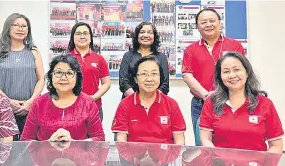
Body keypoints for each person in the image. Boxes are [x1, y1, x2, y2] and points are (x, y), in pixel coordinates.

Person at [181, 8, 245, 146]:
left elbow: (242, 72)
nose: (208, 24)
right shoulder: (191, 49)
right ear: (197, 26)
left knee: (230, 143)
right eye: (203, 22)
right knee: (203, 144)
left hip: (230, 102)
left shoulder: (234, 45)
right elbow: (187, 75)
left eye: (212, 20)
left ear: (220, 23)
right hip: (200, 104)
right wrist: (206, 95)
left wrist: (221, 93)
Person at [199, 52, 284, 153]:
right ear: (220, 77)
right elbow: (205, 139)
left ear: (247, 72)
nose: (232, 75)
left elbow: (276, 146)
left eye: (237, 70)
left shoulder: (265, 104)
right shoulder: (211, 102)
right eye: (226, 72)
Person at [0, 13, 45, 141]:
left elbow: (41, 79)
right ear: (8, 27)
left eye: (24, 26)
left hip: (30, 109)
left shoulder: (34, 52)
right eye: (16, 25)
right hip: (3, 110)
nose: (20, 29)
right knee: (7, 152)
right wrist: (8, 101)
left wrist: (31, 101)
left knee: (29, 150)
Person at [20, 54, 105, 142]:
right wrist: (48, 143)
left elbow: (99, 138)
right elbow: (26, 140)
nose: (63, 78)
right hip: (46, 155)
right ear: (51, 76)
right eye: (58, 72)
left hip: (78, 155)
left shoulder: (88, 103)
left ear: (77, 77)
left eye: (69, 73)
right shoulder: (39, 103)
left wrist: (74, 143)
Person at [112, 55, 186, 144]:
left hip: (165, 156)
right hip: (134, 156)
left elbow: (179, 141)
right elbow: (121, 140)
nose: (149, 79)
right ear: (136, 78)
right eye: (144, 74)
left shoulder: (171, 104)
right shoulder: (125, 104)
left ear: (160, 77)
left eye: (154, 74)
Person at [67, 22, 110, 122]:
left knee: (94, 137)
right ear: (73, 37)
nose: (82, 36)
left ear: (90, 37)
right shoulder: (65, 58)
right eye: (78, 34)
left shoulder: (99, 58)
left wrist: (93, 97)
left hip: (94, 107)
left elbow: (106, 83)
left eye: (85, 33)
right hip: (70, 107)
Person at [119, 21, 169, 100]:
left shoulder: (162, 57)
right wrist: (137, 100)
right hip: (130, 101)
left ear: (154, 36)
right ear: (137, 35)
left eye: (150, 32)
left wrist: (150, 100)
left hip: (155, 104)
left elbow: (165, 85)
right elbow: (123, 82)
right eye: (142, 32)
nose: (146, 35)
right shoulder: (128, 56)